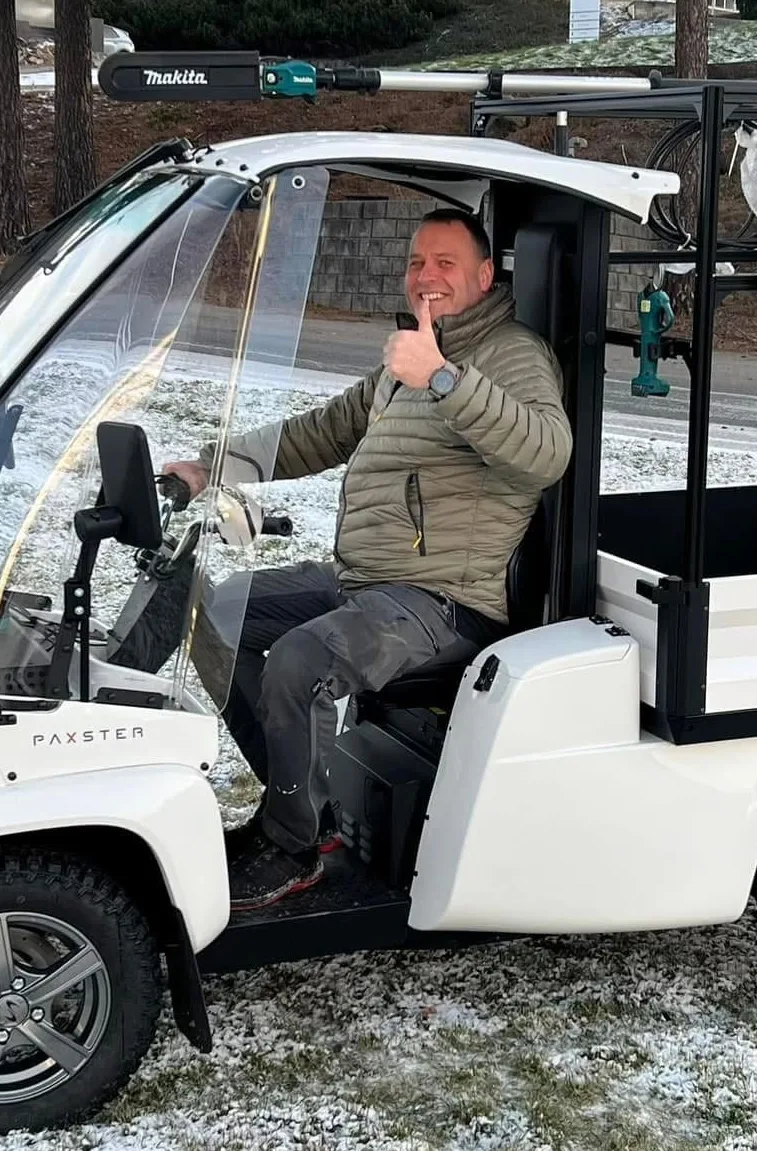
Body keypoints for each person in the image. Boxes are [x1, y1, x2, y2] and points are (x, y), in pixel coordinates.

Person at [163, 208, 571, 910]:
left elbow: (547, 454)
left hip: (444, 601)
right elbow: (320, 433)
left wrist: (443, 377)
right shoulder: (408, 357)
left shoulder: (510, 353)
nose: (426, 275)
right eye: (417, 262)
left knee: (300, 661)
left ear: (484, 275)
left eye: (445, 262)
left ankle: (291, 850)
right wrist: (210, 466)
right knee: (218, 614)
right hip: (365, 582)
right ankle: (303, 812)